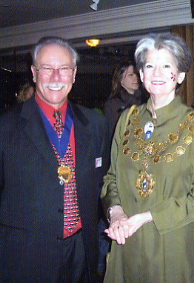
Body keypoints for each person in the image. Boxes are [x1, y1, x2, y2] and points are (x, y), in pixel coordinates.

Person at [101, 33, 194, 283]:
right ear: (142, 74)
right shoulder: (127, 120)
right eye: (149, 66)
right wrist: (116, 213)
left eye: (166, 66)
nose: (156, 73)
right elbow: (111, 177)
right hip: (127, 241)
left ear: (179, 76)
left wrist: (147, 217)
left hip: (173, 244)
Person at [0, 37, 110, 283]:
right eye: (47, 68)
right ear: (34, 73)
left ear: (74, 74)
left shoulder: (96, 125)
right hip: (26, 257)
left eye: (64, 69)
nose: (56, 76)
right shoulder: (5, 127)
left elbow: (105, 183)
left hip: (82, 251)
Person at [103, 61, 146, 136]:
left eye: (136, 74)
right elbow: (113, 132)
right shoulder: (113, 104)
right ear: (121, 80)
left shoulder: (145, 100)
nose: (135, 78)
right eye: (131, 75)